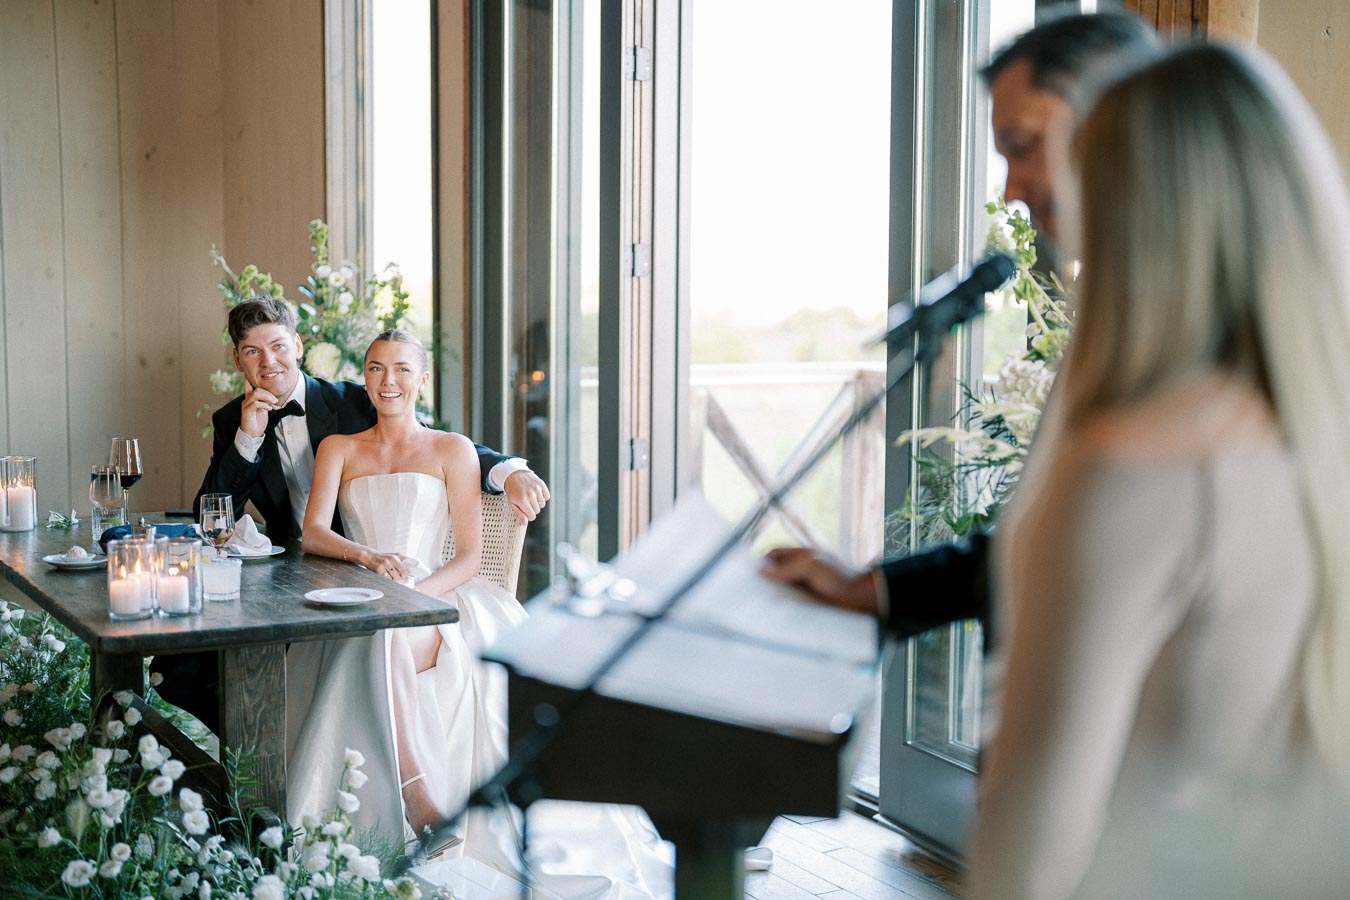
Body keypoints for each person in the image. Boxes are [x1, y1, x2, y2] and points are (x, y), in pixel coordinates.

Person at [969, 43, 1350, 898]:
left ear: (1134, 212)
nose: (1037, 205)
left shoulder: (1138, 469)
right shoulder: (1318, 433)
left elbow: (1031, 841)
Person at [763, 8, 1157, 644]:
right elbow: (1046, 543)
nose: (1012, 191)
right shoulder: (1120, 305)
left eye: (1024, 148)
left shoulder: (1197, 327)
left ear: (1116, 122)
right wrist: (869, 586)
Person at [291, 330, 669, 894]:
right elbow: (314, 534)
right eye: (374, 369)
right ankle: (401, 799)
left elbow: (469, 557)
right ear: (364, 376)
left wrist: (418, 597)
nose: (387, 381)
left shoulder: (452, 449)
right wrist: (366, 555)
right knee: (372, 631)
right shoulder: (338, 448)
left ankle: (419, 798)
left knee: (391, 634)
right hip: (368, 589)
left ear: (423, 379)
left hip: (443, 594)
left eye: (400, 369)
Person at [153, 297, 551, 732]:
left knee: (350, 659)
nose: (269, 362)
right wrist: (248, 439)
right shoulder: (232, 420)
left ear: (299, 346)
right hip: (297, 573)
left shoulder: (355, 400)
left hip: (377, 577)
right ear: (238, 359)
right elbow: (212, 517)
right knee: (179, 669)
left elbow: (430, 444)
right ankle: (253, 756)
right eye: (253, 351)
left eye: (279, 346)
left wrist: (509, 470)